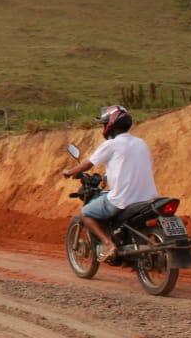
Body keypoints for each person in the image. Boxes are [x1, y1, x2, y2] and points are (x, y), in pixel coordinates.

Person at [61, 105, 158, 262]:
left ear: (111, 124)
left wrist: (70, 172)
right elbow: (127, 166)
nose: (104, 127)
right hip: (149, 198)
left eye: (105, 124)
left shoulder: (111, 144)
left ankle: (108, 244)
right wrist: (107, 177)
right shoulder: (141, 143)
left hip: (124, 200)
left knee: (86, 213)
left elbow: (87, 164)